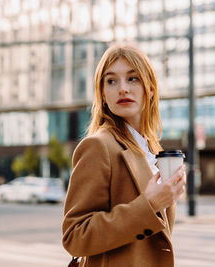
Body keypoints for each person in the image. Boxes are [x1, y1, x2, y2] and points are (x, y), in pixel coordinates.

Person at [62, 43, 186, 267]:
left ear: (150, 88)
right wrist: (149, 204)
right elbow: (74, 235)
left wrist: (169, 195)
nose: (123, 88)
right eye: (111, 81)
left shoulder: (151, 151)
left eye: (133, 78)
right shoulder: (98, 146)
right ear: (103, 94)